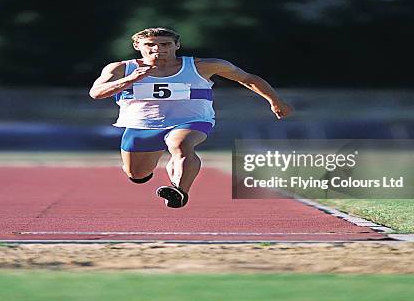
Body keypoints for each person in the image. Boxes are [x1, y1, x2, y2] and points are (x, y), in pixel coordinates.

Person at [89, 27, 293, 208]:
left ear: (177, 45)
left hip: (191, 120)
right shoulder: (121, 69)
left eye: (165, 44)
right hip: (141, 125)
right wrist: (130, 80)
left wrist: (275, 100)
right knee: (137, 174)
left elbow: (247, 78)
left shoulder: (203, 66)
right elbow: (96, 93)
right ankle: (167, 166)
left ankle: (179, 191)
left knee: (180, 144)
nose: (158, 50)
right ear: (137, 45)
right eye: (150, 45)